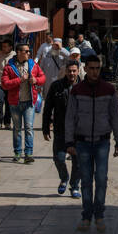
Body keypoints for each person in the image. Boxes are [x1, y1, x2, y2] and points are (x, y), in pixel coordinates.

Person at [65, 51, 118, 233]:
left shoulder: (108, 89)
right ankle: (86, 215)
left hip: (102, 141)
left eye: (97, 69)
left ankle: (99, 215)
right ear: (85, 69)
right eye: (91, 69)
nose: (94, 72)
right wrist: (69, 142)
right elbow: (70, 118)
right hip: (82, 142)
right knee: (86, 180)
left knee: (101, 179)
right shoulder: (77, 90)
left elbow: (115, 115)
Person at [1, 43, 46, 164]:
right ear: (19, 52)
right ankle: (17, 152)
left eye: (29, 51)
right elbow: (5, 84)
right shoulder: (9, 66)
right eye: (26, 51)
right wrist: (20, 80)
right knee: (16, 129)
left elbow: (43, 77)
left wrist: (36, 80)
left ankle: (28, 153)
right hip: (15, 102)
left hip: (29, 102)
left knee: (29, 128)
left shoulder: (33, 64)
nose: (29, 53)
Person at [42, 58, 81, 197]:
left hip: (79, 132)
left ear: (78, 71)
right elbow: (47, 108)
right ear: (65, 71)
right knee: (58, 158)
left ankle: (75, 186)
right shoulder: (56, 86)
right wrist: (45, 128)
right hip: (60, 129)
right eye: (69, 71)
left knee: (78, 161)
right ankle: (64, 178)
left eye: (74, 71)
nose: (71, 73)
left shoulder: (85, 87)